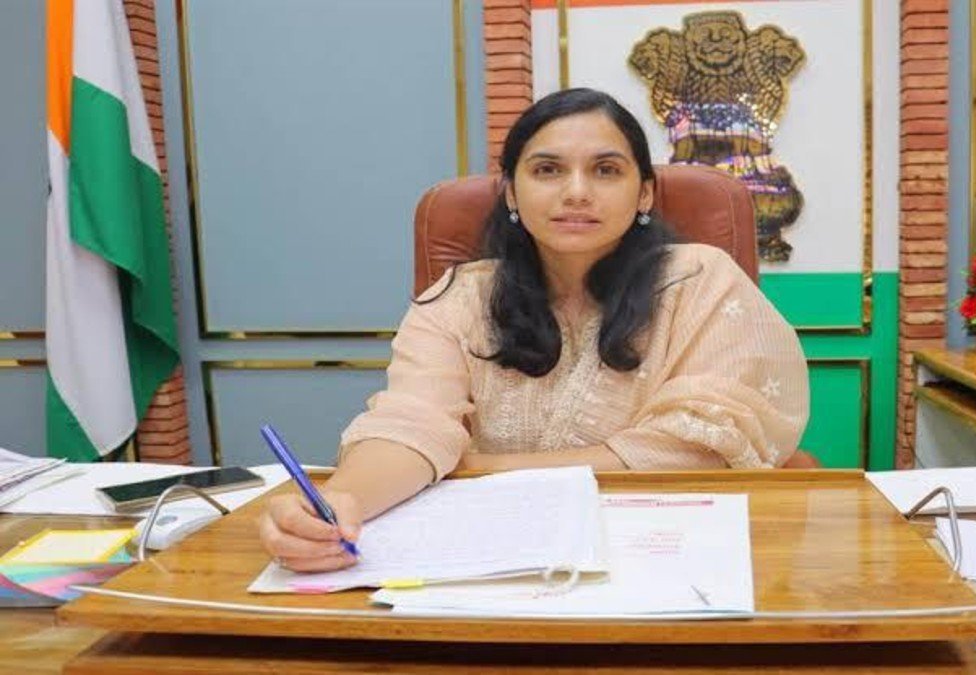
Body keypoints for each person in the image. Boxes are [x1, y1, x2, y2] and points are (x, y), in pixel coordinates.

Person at [259, 88, 810, 572]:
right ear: (511, 192)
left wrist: (481, 467)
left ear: (644, 193)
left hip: (662, 550)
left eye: (606, 170)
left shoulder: (700, 279)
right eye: (548, 170)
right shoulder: (458, 298)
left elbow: (703, 447)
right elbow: (412, 424)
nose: (577, 192)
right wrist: (341, 502)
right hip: (493, 553)